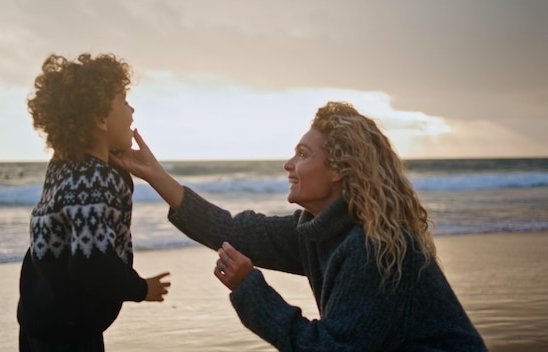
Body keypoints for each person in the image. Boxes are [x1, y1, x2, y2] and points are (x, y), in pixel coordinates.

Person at [111, 101, 487, 351]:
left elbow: (328, 349)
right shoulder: (318, 230)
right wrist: (155, 175)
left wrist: (249, 288)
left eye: (303, 155)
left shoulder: (372, 246)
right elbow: (231, 229)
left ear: (341, 169)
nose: (289, 165)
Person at [17, 53, 171, 351]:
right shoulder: (97, 180)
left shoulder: (63, 167)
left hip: (38, 319)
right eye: (124, 101)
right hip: (71, 332)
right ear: (101, 119)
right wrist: (141, 289)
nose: (132, 109)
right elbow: (91, 262)